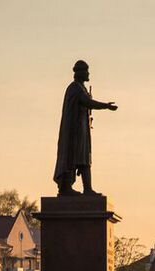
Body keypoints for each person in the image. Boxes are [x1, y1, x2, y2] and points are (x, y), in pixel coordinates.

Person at [53, 60, 118, 196]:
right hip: (74, 133)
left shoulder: (80, 88)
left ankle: (87, 188)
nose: (88, 74)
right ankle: (66, 187)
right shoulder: (75, 88)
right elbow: (88, 102)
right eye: (86, 71)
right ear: (80, 73)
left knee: (84, 158)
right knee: (75, 157)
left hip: (82, 130)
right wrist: (106, 106)